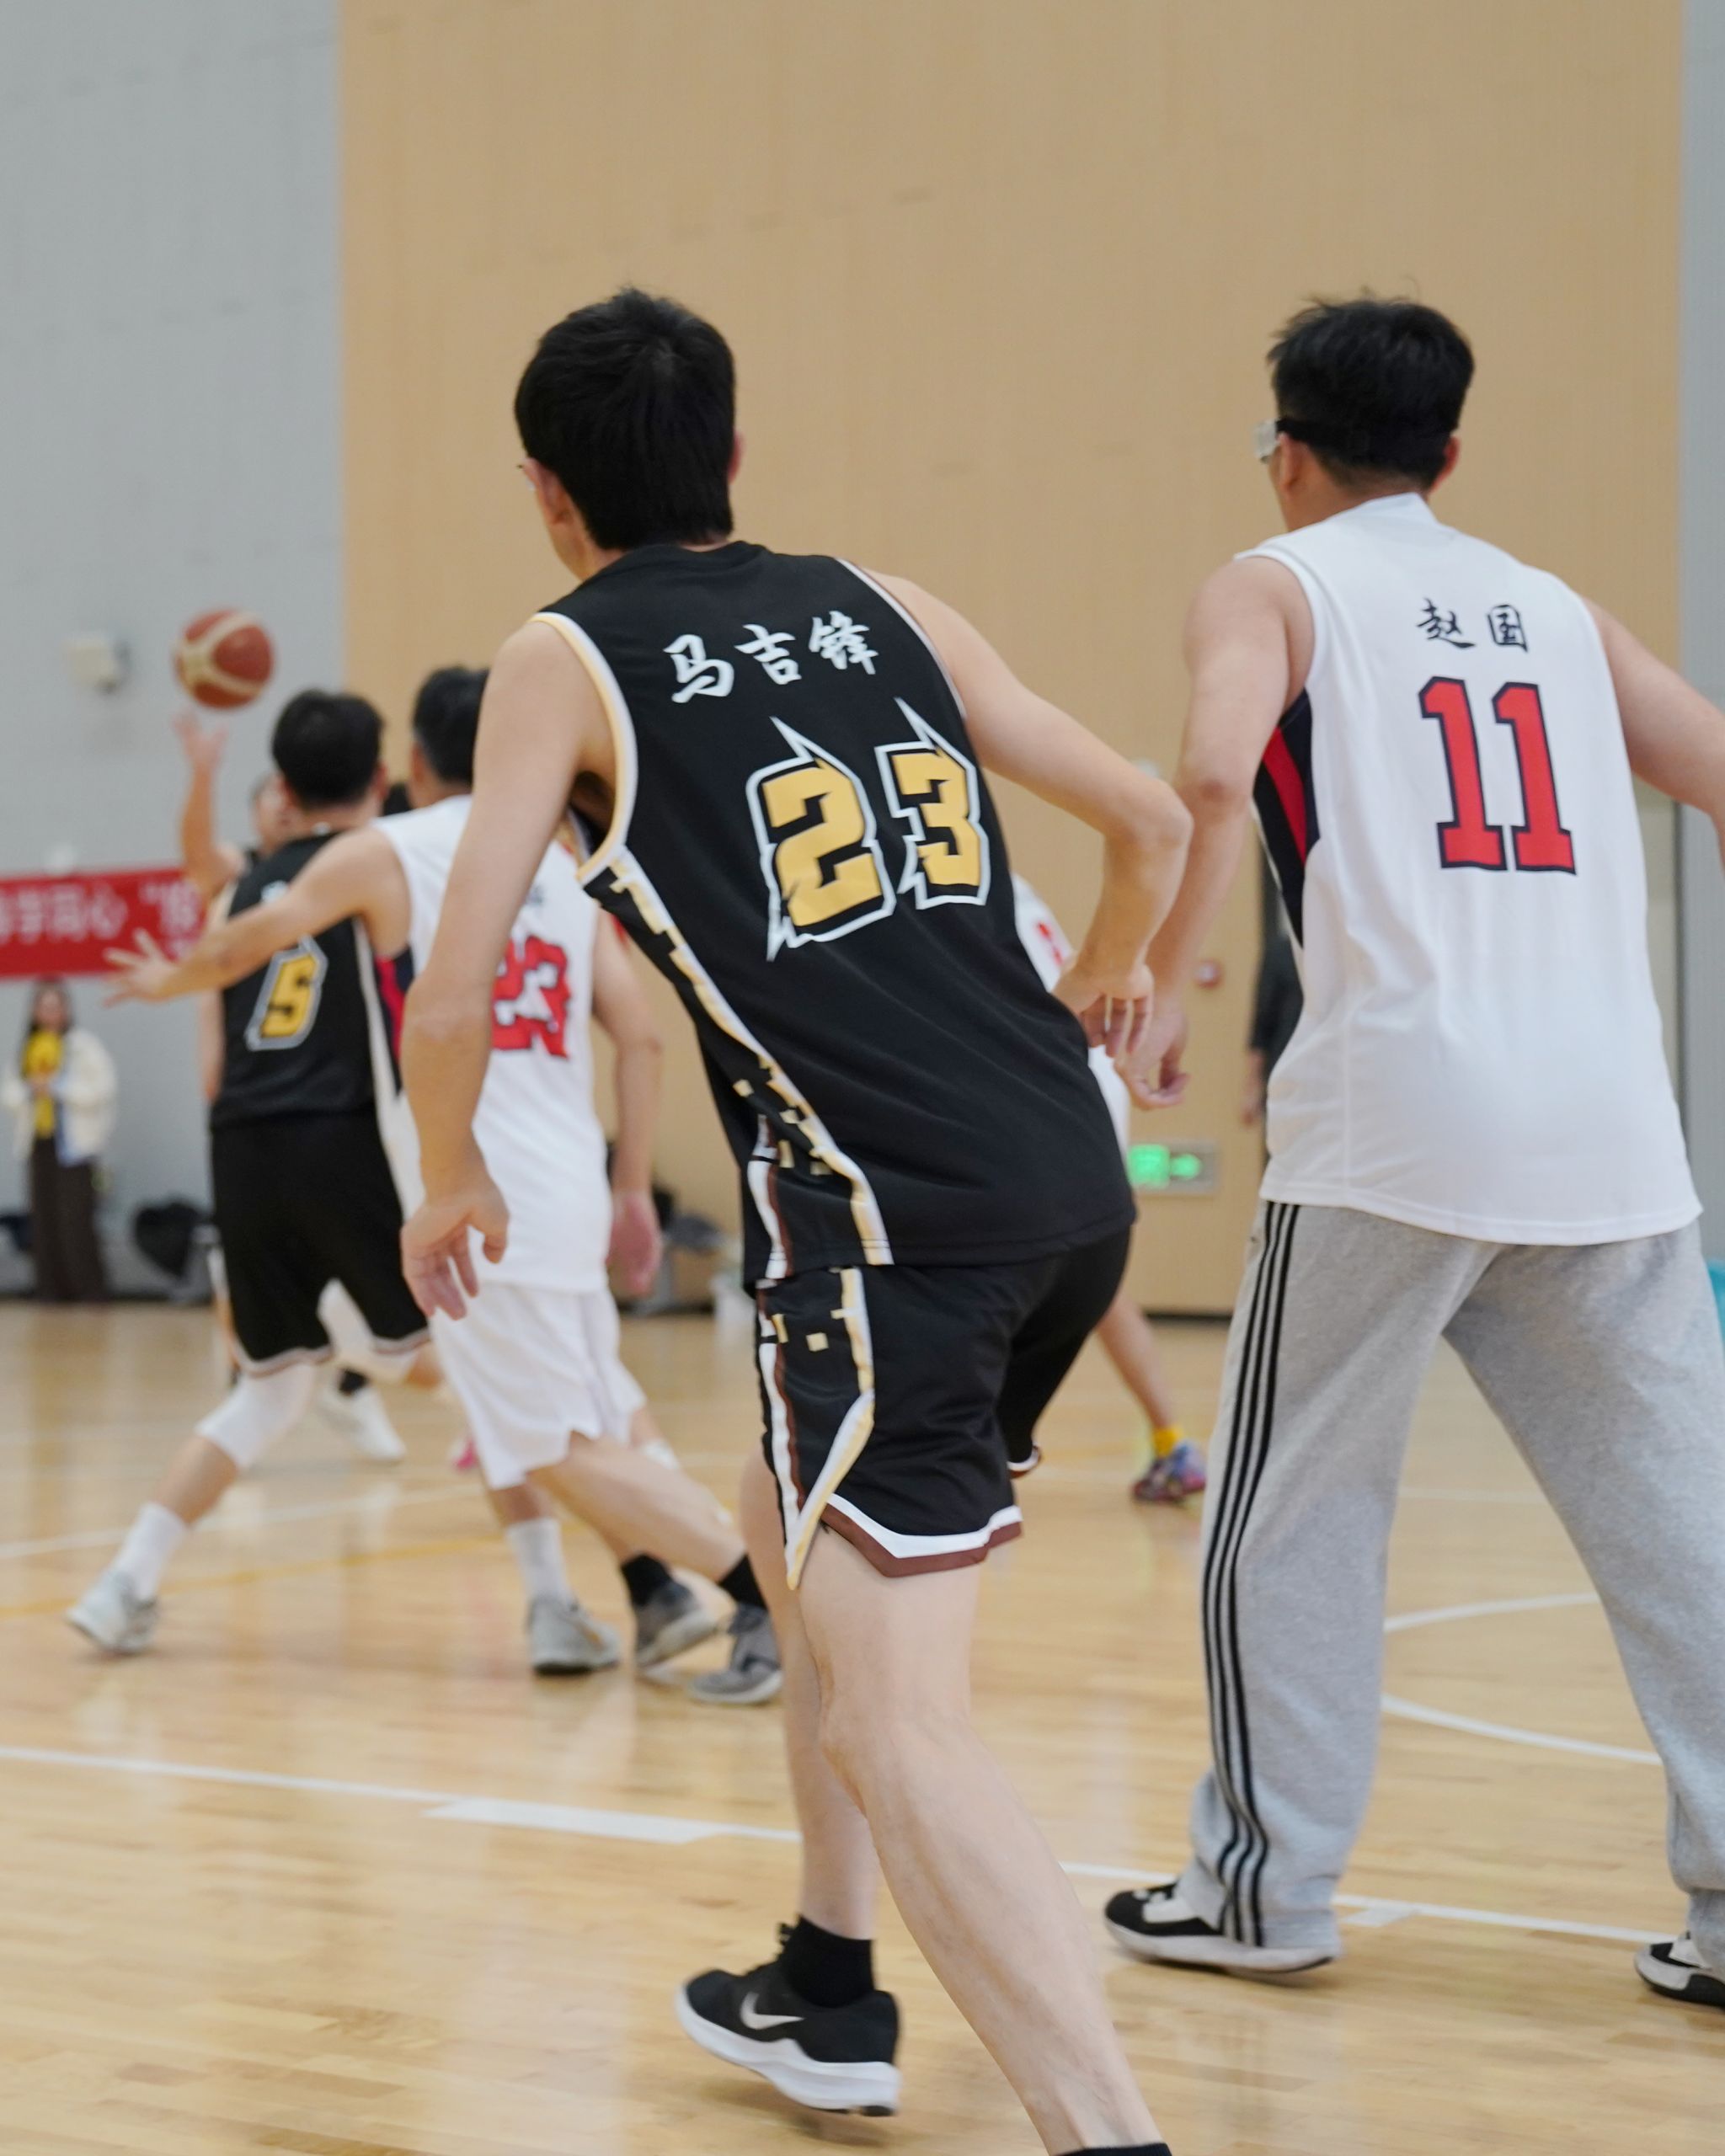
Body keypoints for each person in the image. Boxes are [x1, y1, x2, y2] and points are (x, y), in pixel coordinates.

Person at [398, 289, 1191, 2153]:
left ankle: (1110, 2130)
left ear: (545, 492)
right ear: (735, 454)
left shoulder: (559, 658)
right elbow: (1152, 818)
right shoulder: (881, 601)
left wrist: (449, 1175)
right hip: (1068, 1189)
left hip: (886, 1228)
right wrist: (1106, 975)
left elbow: (452, 987)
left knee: (897, 1723)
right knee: (780, 1511)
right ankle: (827, 1985)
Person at [1101, 296, 1725, 2019]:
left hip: (1392, 1123)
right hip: (1610, 1131)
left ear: (1283, 451)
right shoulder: (1555, 610)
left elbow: (1210, 772)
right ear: (1449, 453)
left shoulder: (1270, 583)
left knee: (1283, 1512)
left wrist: (1152, 979)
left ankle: (1260, 1890)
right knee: (1681, 1522)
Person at [104, 663, 776, 1700]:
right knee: (594, 1423)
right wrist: (634, 1189)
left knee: (554, 1448)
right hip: (573, 1180)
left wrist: (168, 980)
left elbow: (247, 935)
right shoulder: (563, 862)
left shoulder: (391, 851)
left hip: (484, 1193)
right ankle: (662, 1597)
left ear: (413, 762)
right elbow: (641, 1037)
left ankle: (760, 1598)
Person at [67, 691, 435, 1654]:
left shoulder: (239, 888)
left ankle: (126, 1579)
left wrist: (198, 775)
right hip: (342, 1136)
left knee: (268, 1388)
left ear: (284, 788)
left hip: (243, 1146)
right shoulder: (379, 863)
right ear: (379, 777)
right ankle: (600, 1574)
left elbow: (199, 861)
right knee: (468, 1362)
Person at [174, 707, 409, 1464]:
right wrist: (203, 774)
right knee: (259, 1303)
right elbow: (197, 857)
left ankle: (351, 1383)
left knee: (374, 1301)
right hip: (263, 1113)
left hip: (326, 1113)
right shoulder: (243, 884)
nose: (276, 812)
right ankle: (323, 1379)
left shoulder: (351, 871)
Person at [1011, 877, 1204, 1503]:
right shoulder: (1009, 884)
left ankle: (974, 1446)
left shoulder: (951, 877)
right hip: (1082, 1077)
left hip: (1047, 1079)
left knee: (1015, 1269)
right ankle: (1172, 1440)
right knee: (1095, 1282)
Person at [3, 977, 115, 1302]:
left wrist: (58, 1087)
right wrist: (31, 1089)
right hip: (39, 1141)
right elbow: (10, 1092)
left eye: (55, 1006)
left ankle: (90, 1290)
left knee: (76, 1219)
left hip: (75, 1147)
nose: (49, 1013)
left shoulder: (83, 1046)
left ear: (66, 1010)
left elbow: (101, 1090)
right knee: (44, 1218)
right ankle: (50, 1290)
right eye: (44, 1006)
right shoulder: (28, 1048)